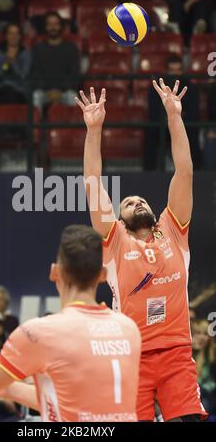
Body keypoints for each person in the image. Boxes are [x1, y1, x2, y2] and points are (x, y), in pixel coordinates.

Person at [75, 81, 207, 421]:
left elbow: (185, 171)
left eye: (142, 200)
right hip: (131, 355)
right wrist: (94, 130)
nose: (138, 201)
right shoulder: (115, 240)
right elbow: (92, 181)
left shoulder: (173, 230)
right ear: (120, 219)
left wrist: (175, 117)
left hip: (177, 354)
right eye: (130, 202)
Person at [0, 225, 141, 422]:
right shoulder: (129, 329)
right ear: (102, 275)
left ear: (54, 272)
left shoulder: (41, 332)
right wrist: (6, 388)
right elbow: (75, 402)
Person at [146, 54, 201, 170]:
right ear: (166, 71)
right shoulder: (156, 88)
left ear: (182, 70)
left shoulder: (190, 87)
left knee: (193, 132)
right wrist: (168, 119)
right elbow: (153, 113)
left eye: (178, 70)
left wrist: (177, 119)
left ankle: (195, 172)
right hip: (162, 125)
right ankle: (149, 174)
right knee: (150, 133)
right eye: (172, 71)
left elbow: (193, 113)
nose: (175, 74)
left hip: (184, 125)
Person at [31, 12, 80, 112]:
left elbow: (74, 74)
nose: (53, 27)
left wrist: (60, 91)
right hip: (44, 91)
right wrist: (49, 91)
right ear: (45, 27)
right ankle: (37, 127)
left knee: (73, 97)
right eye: (50, 24)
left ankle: (71, 128)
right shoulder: (38, 49)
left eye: (56, 24)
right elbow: (36, 73)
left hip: (65, 92)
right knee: (36, 96)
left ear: (61, 27)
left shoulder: (71, 48)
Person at [0, 23, 31, 104]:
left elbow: (23, 76)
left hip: (19, 91)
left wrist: (13, 61)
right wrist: (7, 63)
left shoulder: (26, 53)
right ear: (5, 36)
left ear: (20, 36)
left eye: (17, 34)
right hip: (1, 89)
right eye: (10, 33)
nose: (14, 36)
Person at [192, 319, 216, 418]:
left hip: (209, 397)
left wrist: (201, 352)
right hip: (191, 396)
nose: (201, 337)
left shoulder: (213, 354)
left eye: (205, 334)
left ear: (209, 337)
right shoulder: (186, 353)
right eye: (198, 333)